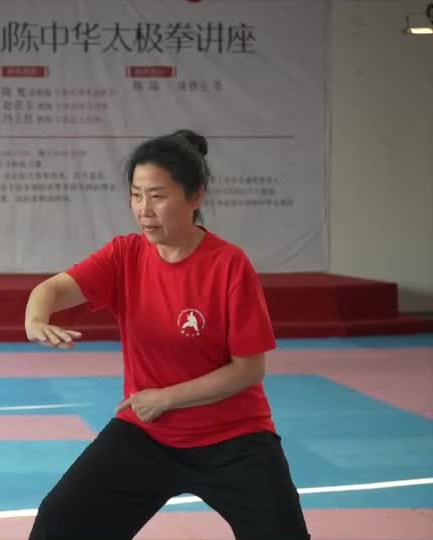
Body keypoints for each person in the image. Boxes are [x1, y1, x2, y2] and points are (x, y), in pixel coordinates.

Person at [24, 130, 310, 540]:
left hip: (235, 440)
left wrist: (165, 398)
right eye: (136, 195)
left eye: (157, 196)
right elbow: (51, 290)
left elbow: (248, 370)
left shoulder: (228, 264)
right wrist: (36, 319)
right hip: (148, 435)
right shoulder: (125, 255)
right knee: (59, 522)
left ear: (196, 196)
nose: (144, 210)